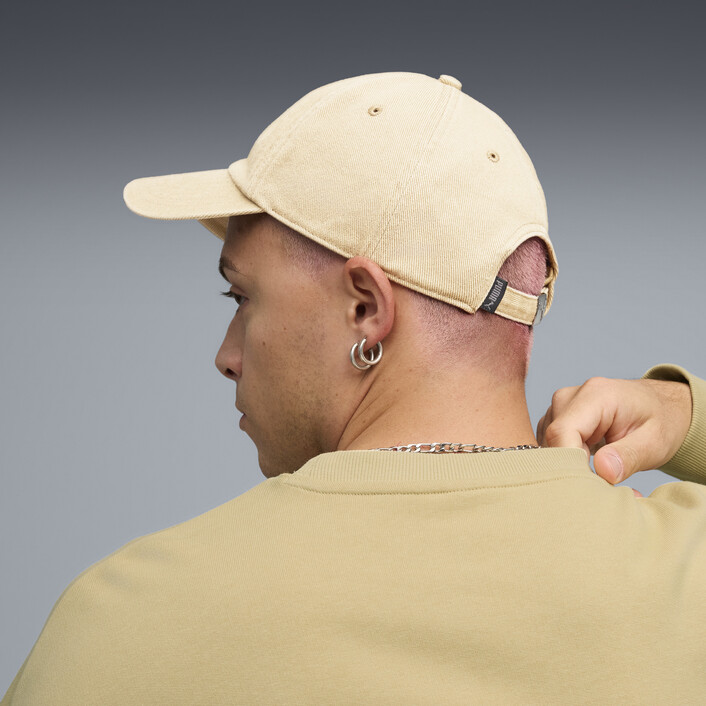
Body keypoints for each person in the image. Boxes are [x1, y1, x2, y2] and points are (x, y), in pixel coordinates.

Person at [2, 71, 704, 705]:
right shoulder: (685, 570)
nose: (226, 356)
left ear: (367, 307)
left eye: (240, 297)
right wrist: (684, 412)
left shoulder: (128, 623)